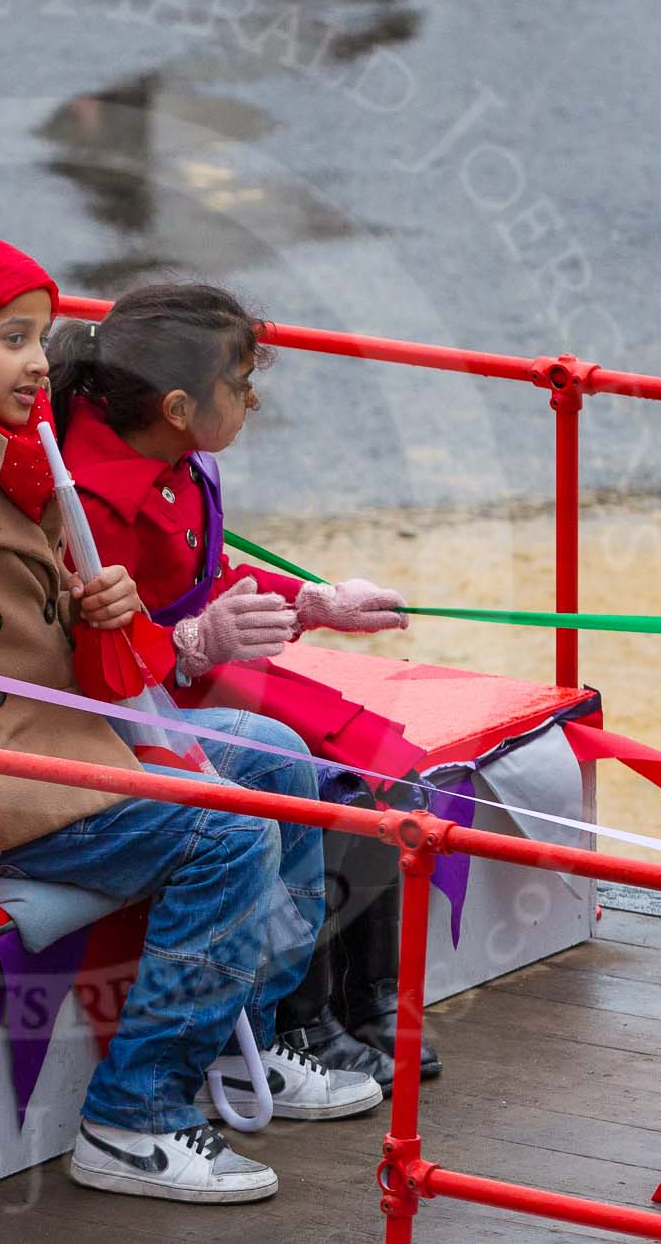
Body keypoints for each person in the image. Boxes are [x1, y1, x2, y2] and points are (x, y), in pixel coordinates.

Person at [0, 233, 382, 1206]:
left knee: (277, 760)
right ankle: (132, 1120)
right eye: (12, 338)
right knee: (225, 834)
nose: (40, 361)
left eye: (39, 335)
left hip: (16, 752)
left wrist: (90, 615)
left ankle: (254, 1035)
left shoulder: (2, 454)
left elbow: (10, 637)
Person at [48, 285, 434, 1088]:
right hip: (150, 700)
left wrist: (307, 600)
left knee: (375, 767)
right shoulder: (90, 498)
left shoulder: (174, 459)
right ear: (182, 406)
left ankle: (373, 1000)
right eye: (242, 382)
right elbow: (86, 651)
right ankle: (304, 1014)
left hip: (195, 671)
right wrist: (189, 645)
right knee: (328, 788)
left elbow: (206, 576)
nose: (253, 397)